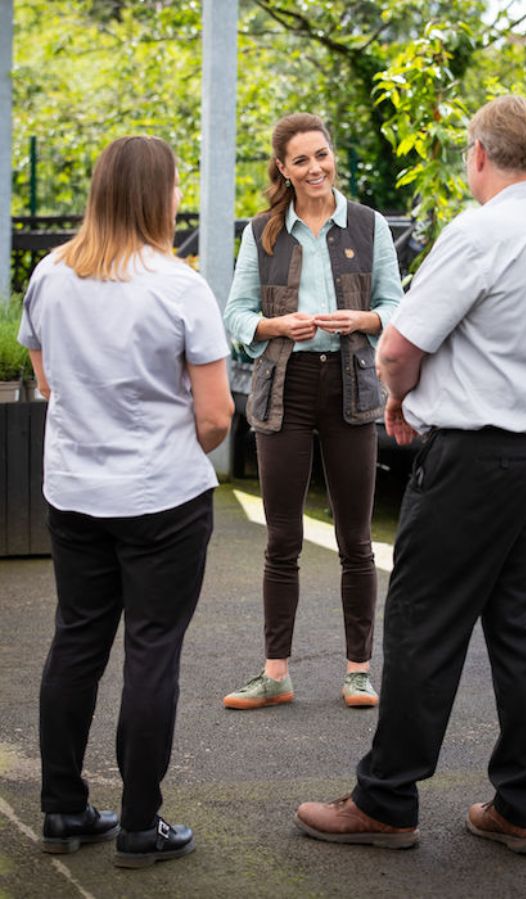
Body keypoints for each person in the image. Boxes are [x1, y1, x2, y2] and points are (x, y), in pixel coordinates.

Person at [294, 96, 526, 852]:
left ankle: (385, 800)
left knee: (423, 620)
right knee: (522, 626)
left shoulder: (483, 231)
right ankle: (525, 804)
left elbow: (399, 344)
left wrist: (399, 398)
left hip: (478, 457)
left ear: (479, 155)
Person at [18, 136, 234, 868]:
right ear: (156, 194)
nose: (179, 197)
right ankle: (141, 826)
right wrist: (163, 453)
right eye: (175, 185)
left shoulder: (49, 274)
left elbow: (48, 382)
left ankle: (62, 808)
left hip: (75, 493)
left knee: (76, 641)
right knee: (151, 652)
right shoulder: (179, 285)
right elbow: (216, 416)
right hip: (161, 500)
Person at [223, 113, 402, 710]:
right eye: (301, 160)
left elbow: (397, 308)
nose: (315, 168)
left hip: (351, 387)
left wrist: (365, 321)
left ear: (332, 155)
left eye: (321, 155)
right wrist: (274, 325)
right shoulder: (262, 233)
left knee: (357, 538)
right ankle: (276, 673)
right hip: (285, 389)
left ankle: (358, 672)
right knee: (282, 538)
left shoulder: (369, 226)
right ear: (283, 169)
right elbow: (236, 316)